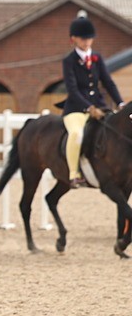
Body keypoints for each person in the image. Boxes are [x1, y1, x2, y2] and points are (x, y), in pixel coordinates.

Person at [58, 10, 123, 188]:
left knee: (117, 130)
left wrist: (120, 103)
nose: (86, 42)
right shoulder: (69, 61)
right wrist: (88, 108)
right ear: (74, 39)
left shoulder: (97, 58)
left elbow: (108, 82)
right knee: (77, 134)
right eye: (82, 39)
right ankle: (73, 174)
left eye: (89, 38)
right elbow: (72, 89)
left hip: (100, 106)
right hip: (76, 108)